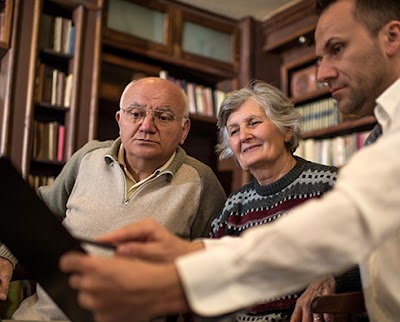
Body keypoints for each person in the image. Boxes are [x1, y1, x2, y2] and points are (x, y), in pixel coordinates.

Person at [59, 0, 400, 321]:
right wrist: (189, 260)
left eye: (337, 48)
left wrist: (184, 273)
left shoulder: (337, 177)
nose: (323, 73)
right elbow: (308, 241)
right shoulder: (379, 140)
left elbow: (334, 241)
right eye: (234, 130)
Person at [0, 77, 226, 320]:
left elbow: (212, 265)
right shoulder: (88, 157)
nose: (147, 126)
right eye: (136, 113)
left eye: (163, 117)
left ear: (184, 130)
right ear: (120, 120)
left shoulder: (202, 182)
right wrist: (5, 256)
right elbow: (38, 213)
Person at [208, 80, 360, 322]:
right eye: (234, 130)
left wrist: (332, 276)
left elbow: (374, 253)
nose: (244, 136)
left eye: (254, 123)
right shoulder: (233, 206)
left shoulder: (332, 185)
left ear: (286, 128)